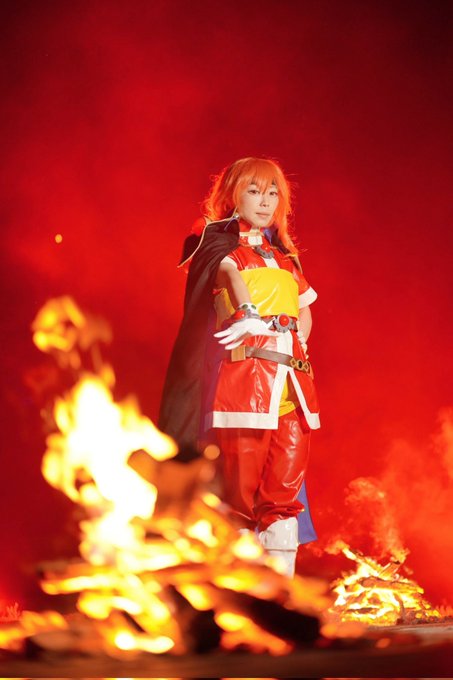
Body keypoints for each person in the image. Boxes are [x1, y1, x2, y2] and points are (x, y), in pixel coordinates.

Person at [159, 157, 320, 576]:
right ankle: (242, 592)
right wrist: (247, 311)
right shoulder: (218, 246)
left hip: (294, 388)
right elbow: (228, 273)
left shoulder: (285, 258)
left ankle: (281, 596)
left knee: (285, 497)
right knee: (240, 498)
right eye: (254, 191)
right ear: (233, 195)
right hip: (244, 387)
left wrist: (300, 338)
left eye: (273, 193)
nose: (265, 202)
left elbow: (305, 306)